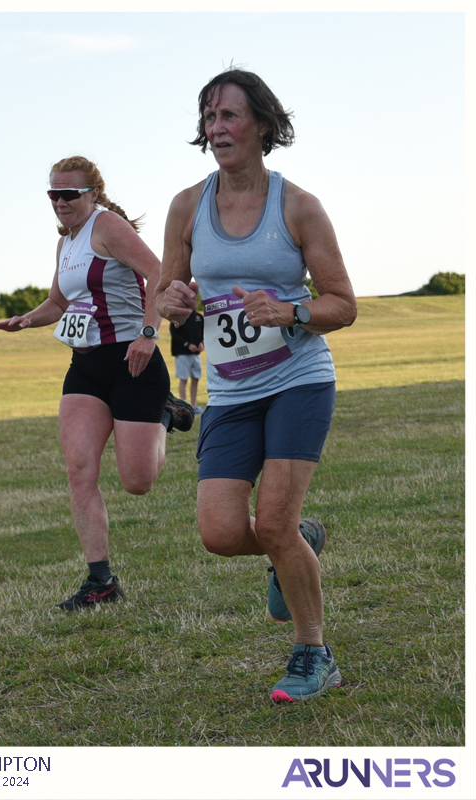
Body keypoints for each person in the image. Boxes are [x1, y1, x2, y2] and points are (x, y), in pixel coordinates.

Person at [155, 69, 357, 702]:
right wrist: (175, 299)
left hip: (298, 377)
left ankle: (313, 653)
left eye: (230, 116)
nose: (218, 129)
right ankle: (298, 541)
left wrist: (290, 311)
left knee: (271, 520)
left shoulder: (297, 206)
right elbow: (166, 291)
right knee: (219, 533)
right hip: (231, 389)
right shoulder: (188, 205)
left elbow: (343, 303)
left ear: (264, 125)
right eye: (209, 118)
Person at [0, 155, 194, 610]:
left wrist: (148, 333)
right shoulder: (65, 243)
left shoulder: (109, 228)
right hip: (84, 367)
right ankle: (99, 581)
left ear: (93, 194)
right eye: (53, 195)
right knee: (79, 469)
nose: (60, 203)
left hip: (133, 363)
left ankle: (165, 411)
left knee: (137, 482)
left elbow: (160, 274)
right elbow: (58, 301)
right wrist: (26, 320)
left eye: (70, 194)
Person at [170, 310, 205, 413]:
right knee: (183, 379)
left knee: (196, 379)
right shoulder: (177, 316)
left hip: (196, 354)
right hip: (182, 354)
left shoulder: (198, 316)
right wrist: (187, 344)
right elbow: (174, 334)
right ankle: (184, 407)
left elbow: (203, 332)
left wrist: (202, 343)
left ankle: (194, 406)